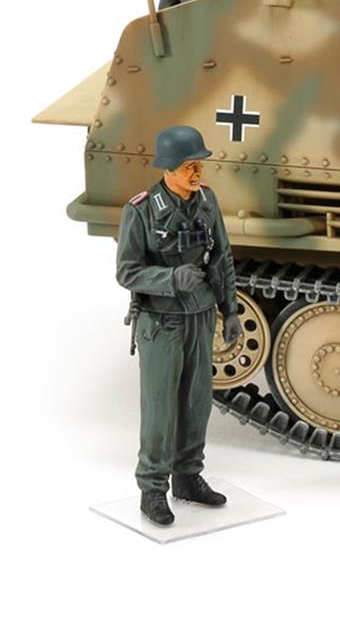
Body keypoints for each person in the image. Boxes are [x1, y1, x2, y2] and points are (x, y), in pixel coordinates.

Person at [115, 125, 243, 526]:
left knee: (196, 401)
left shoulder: (207, 201)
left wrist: (231, 309)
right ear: (168, 168)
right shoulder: (140, 211)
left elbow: (222, 257)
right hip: (161, 321)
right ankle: (152, 488)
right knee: (161, 407)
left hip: (201, 315)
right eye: (189, 166)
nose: (197, 172)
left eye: (199, 164)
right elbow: (127, 271)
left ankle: (187, 476)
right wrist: (171, 279)